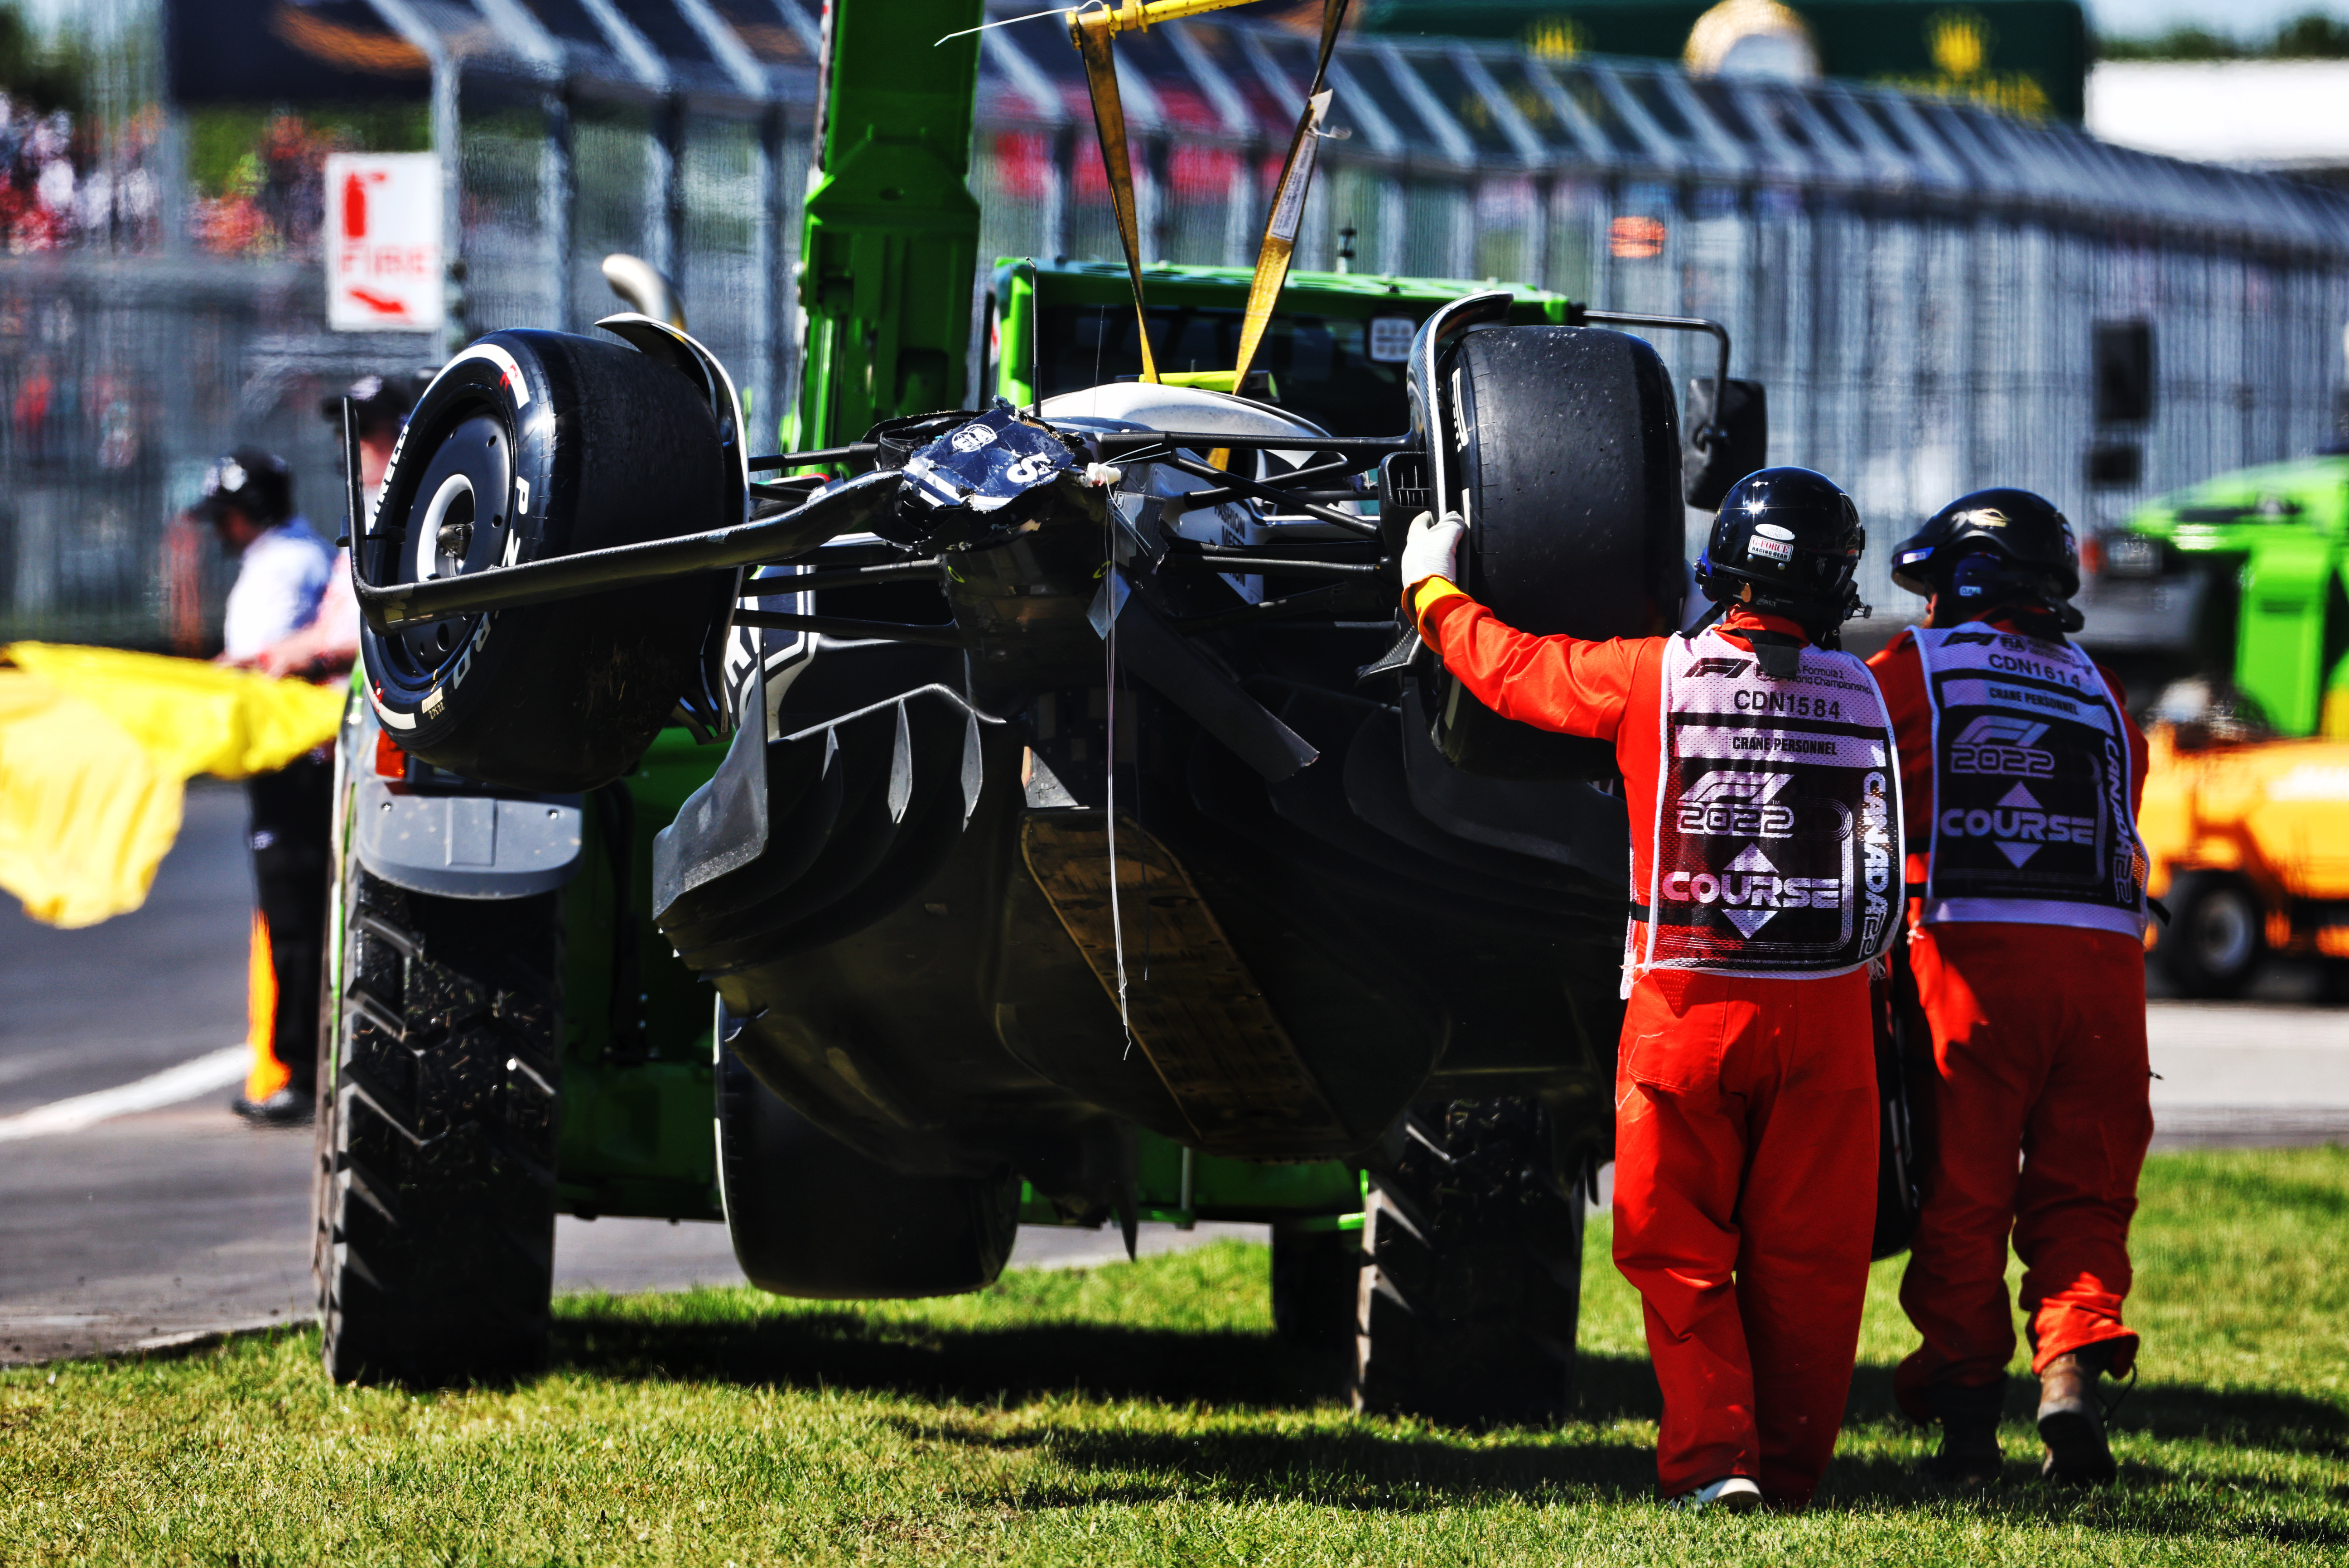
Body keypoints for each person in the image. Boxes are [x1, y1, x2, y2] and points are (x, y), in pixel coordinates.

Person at [1399, 468, 1900, 1512]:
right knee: (1810, 1263)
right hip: (1829, 1015)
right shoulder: (1870, 690)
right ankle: (1795, 1472)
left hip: (1688, 1005)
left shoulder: (1650, 676)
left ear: (1721, 566)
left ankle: (1716, 1461)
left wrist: (1429, 591)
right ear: (1834, 582)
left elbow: (1512, 671)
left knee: (1677, 1252)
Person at [1868, 490, 2151, 1487]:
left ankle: (1965, 1422)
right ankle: (2068, 1376)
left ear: (1958, 584)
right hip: (2108, 976)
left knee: (1964, 1198)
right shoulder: (2105, 691)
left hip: (1971, 968)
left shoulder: (1910, 671)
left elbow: (1851, 784)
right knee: (2085, 1194)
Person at [191, 447, 335, 1124]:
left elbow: (269, 661)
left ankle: (301, 1071)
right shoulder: (287, 557)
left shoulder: (286, 565)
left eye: (226, 516)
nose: (220, 530)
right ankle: (300, 1065)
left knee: (297, 917)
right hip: (288, 756)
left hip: (293, 760)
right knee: (293, 916)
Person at [244, 371, 418, 678]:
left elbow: (412, 626)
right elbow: (332, 631)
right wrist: (259, 658)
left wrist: (319, 661)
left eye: (364, 428)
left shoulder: (415, 514)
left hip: (388, 694)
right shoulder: (367, 509)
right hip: (350, 694)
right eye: (346, 429)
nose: (352, 440)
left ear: (403, 430)